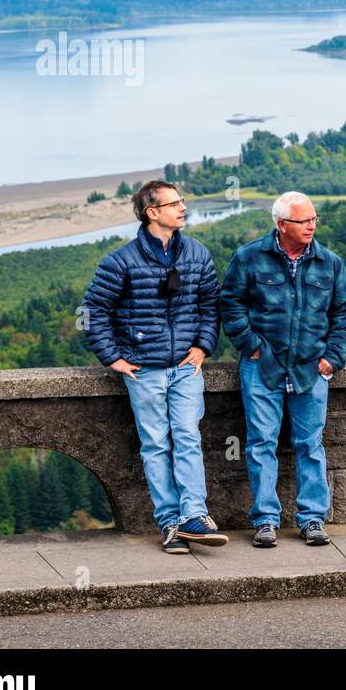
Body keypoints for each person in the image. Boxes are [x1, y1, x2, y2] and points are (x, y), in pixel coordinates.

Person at [82, 180, 228, 553]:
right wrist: (112, 357)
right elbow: (92, 312)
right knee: (156, 445)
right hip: (144, 369)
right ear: (153, 213)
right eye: (175, 203)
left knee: (187, 437)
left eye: (182, 201)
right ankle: (170, 524)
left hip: (185, 368)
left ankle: (195, 515)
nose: (183, 208)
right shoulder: (121, 261)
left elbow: (211, 306)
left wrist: (203, 347)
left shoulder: (196, 254)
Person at [220, 191, 346, 548]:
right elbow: (230, 304)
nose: (311, 225)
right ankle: (265, 520)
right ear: (282, 225)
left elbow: (343, 314)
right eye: (303, 220)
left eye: (314, 219)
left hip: (312, 369)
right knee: (260, 444)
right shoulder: (248, 257)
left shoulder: (330, 263)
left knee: (310, 445)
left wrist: (333, 359)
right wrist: (251, 346)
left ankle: (312, 520)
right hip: (262, 368)